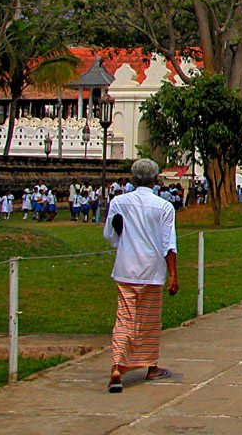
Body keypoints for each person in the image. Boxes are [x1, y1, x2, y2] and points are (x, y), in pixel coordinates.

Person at [102, 158, 178, 393]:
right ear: (156, 179)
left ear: (133, 179)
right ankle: (150, 366)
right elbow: (168, 244)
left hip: (126, 268)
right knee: (148, 321)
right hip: (152, 271)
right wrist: (173, 274)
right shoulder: (163, 207)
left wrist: (123, 241)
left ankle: (118, 364)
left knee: (124, 318)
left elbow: (110, 235)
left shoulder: (119, 202)